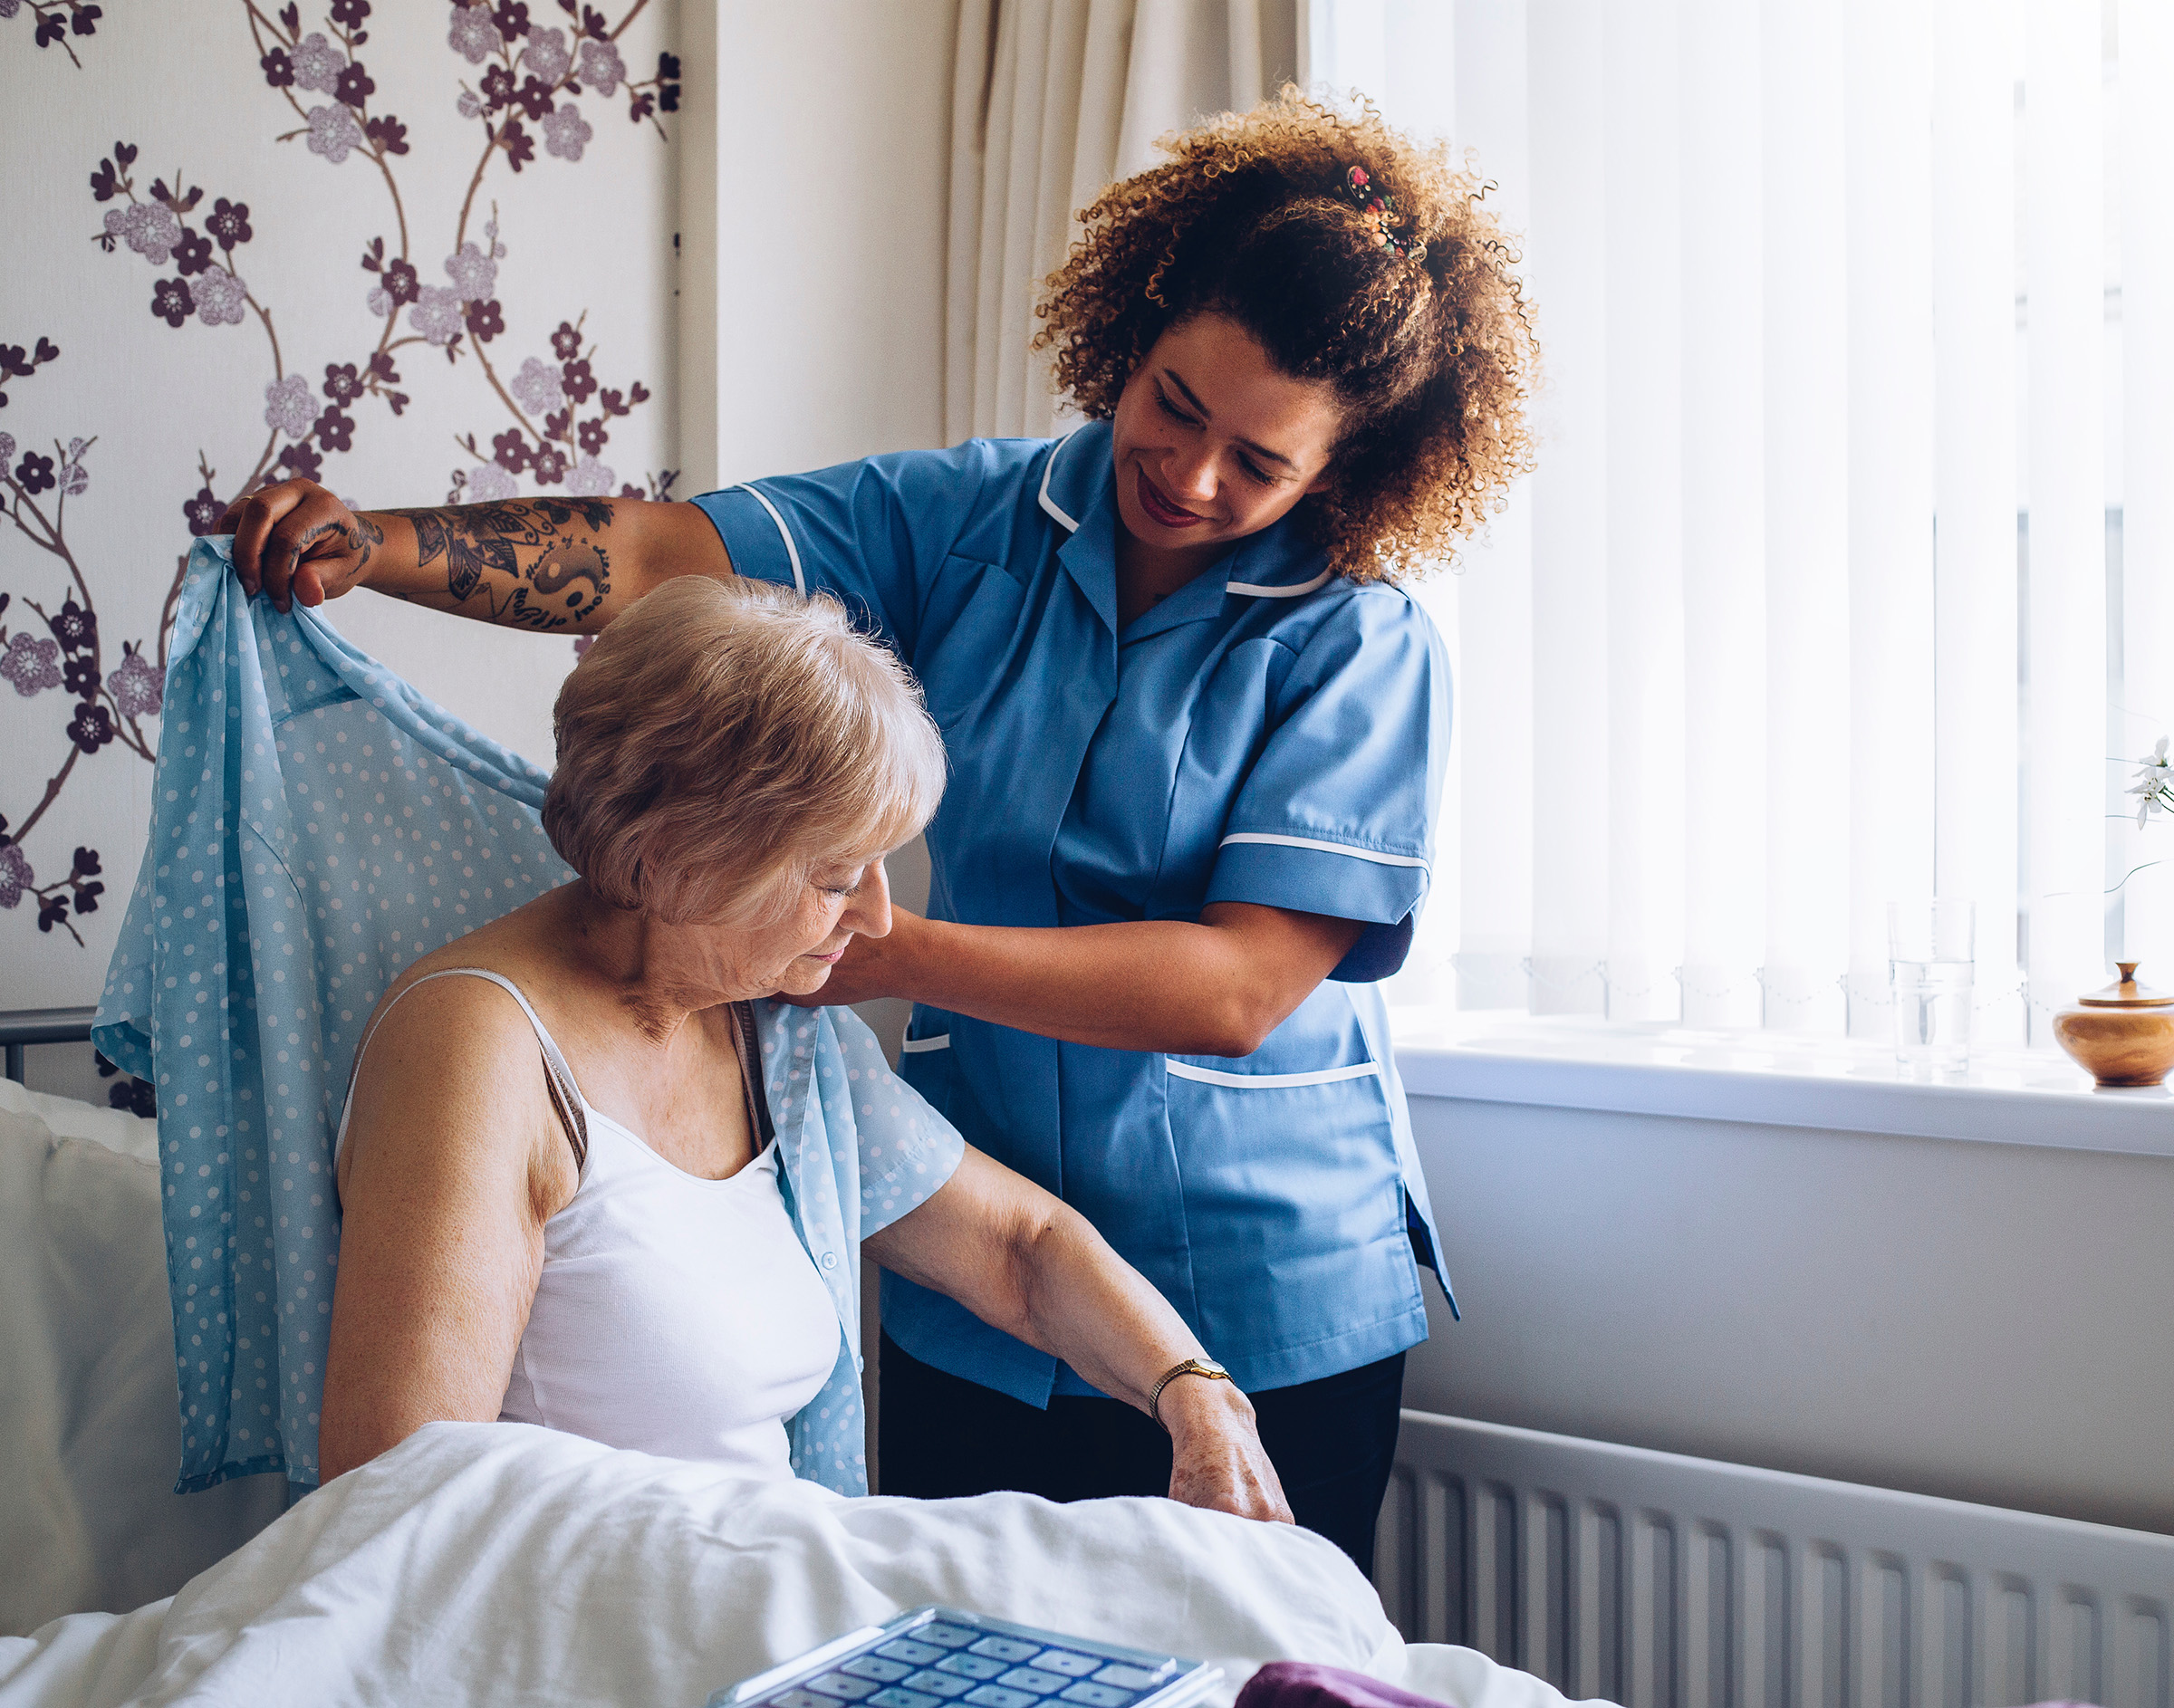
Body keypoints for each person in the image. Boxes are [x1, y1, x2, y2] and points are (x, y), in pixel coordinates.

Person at [232, 90, 1537, 1566]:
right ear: (1135, 332)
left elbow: (1236, 991)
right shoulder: (964, 522)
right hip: (975, 1280)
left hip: (1262, 1285)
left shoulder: (1359, 644)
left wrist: (867, 941)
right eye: (1175, 405)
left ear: (1348, 469)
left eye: (1261, 461)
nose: (1191, 475)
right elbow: (661, 554)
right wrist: (376, 546)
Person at [320, 572, 1290, 1527]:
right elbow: (395, 1504)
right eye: (834, 876)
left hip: (759, 1596)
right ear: (673, 854)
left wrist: (1196, 1392)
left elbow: (1020, 1246)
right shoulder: (479, 1048)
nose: (875, 915)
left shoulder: (773, 1032)